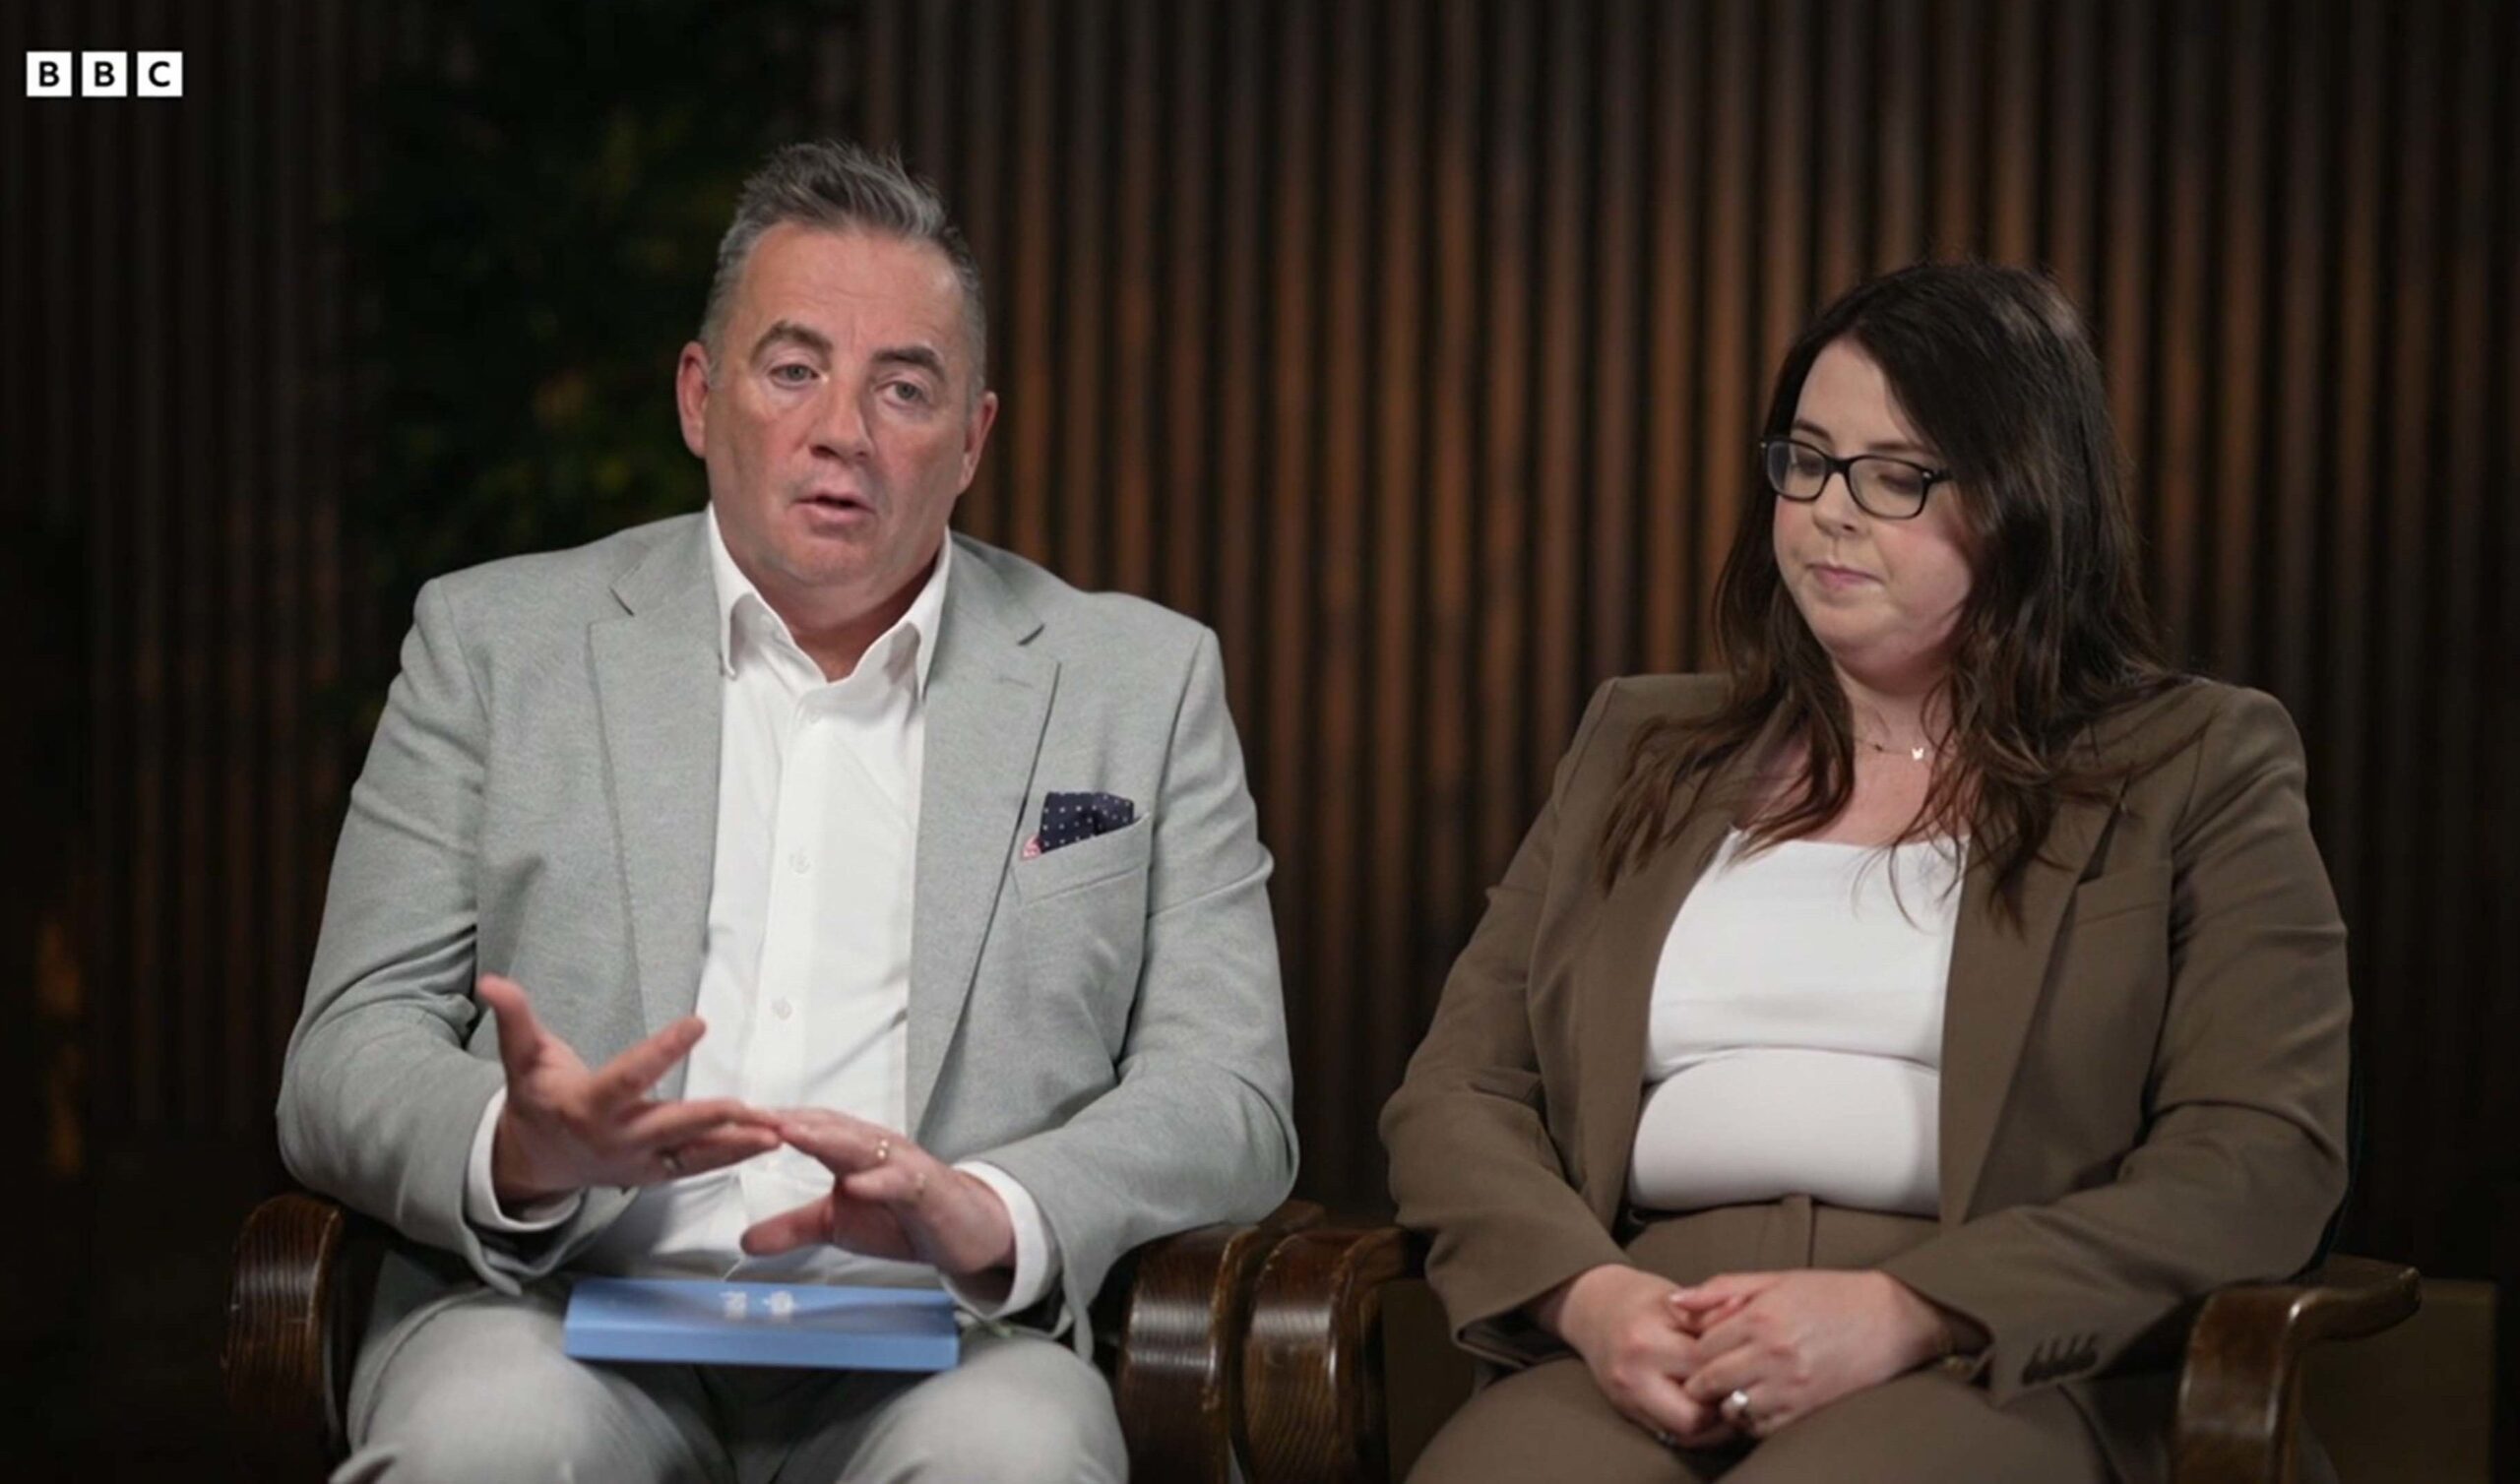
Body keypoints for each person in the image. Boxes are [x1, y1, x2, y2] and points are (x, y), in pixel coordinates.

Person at [278, 140, 1295, 1483]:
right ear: (703, 397)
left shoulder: (1139, 682)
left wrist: (991, 1208)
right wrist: (517, 1148)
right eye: (795, 368)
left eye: (906, 387)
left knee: (1021, 1462)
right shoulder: (494, 642)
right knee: (486, 1445)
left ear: (976, 437)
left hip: (946, 1340)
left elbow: (1230, 1093)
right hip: (559, 1316)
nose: (842, 431)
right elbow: (345, 1051)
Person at [1382, 261, 2350, 1483]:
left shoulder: (2194, 760)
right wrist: (1589, 1295)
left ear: (2026, 500)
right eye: (1808, 458)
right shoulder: (1639, 741)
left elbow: (2260, 1152)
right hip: (1644, 1330)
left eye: (1896, 476)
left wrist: (1910, 1307)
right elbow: (1458, 1091)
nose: (1831, 510)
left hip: (1988, 1354)